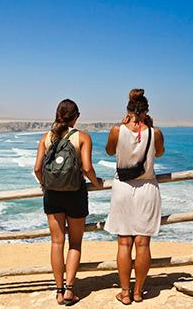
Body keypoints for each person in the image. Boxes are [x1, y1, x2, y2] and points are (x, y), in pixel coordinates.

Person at [34, 99, 103, 305]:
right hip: (75, 194)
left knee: (56, 242)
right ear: (76, 116)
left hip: (52, 195)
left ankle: (58, 290)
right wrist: (97, 183)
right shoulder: (82, 137)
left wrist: (45, 185)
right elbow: (88, 168)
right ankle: (70, 290)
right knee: (75, 243)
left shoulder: (46, 138)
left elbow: (37, 168)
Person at [104, 89, 165, 305]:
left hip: (122, 188)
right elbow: (159, 153)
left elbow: (109, 151)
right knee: (143, 243)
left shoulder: (116, 130)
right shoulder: (154, 132)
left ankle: (125, 292)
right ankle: (138, 292)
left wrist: (122, 126)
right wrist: (149, 125)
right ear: (146, 110)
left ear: (128, 110)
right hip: (147, 189)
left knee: (124, 243)